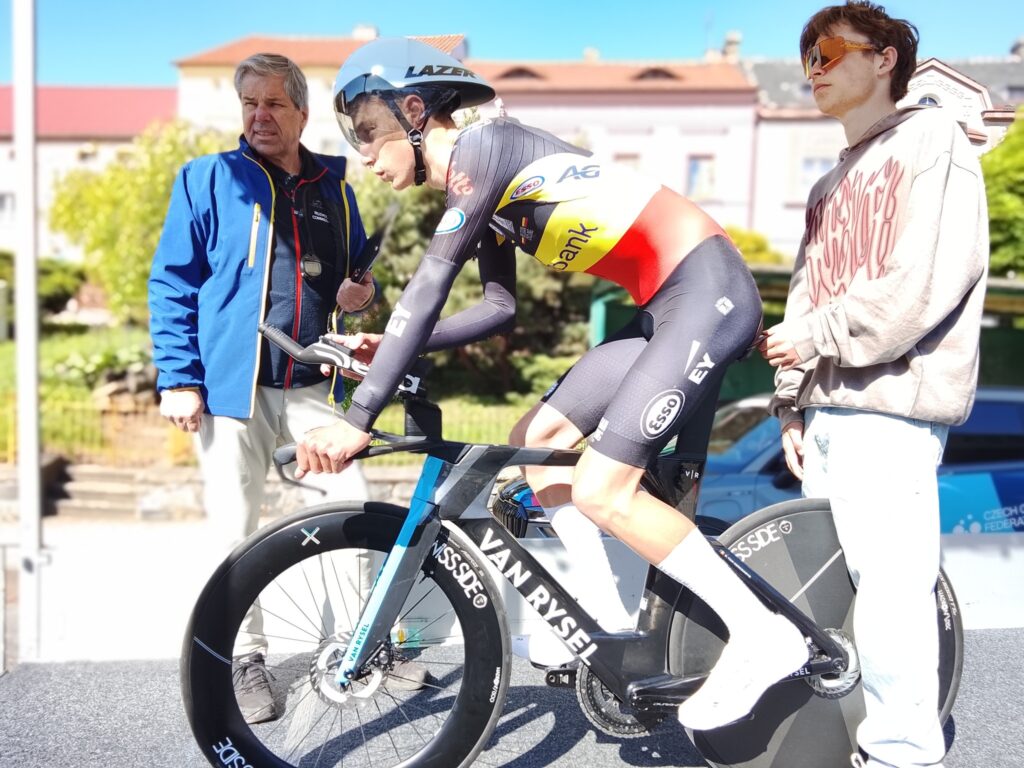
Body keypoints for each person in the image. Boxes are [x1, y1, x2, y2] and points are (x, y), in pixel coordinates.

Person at [296, 36, 811, 732]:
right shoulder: (478, 187)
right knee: (536, 442)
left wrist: (359, 416)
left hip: (707, 289)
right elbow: (497, 308)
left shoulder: (483, 151)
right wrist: (389, 345)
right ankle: (607, 624)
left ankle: (763, 634)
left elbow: (428, 286)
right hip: (664, 306)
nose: (362, 153)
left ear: (413, 110)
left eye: (367, 131)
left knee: (603, 487)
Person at [761, 3, 989, 766]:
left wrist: (816, 338)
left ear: (884, 58)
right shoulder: (828, 183)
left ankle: (902, 752)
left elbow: (927, 280)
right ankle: (851, 742)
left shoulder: (933, 139)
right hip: (825, 410)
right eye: (807, 60)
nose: (814, 71)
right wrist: (790, 401)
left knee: (891, 589)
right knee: (836, 601)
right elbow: (804, 296)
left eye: (827, 52)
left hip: (893, 402)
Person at [148, 53, 386, 725]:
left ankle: (356, 650)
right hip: (232, 390)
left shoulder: (336, 191)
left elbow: (355, 286)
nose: (259, 116)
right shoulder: (206, 180)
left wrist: (362, 294)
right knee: (234, 530)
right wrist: (180, 378)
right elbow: (172, 283)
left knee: (353, 511)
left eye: (274, 103)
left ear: (302, 114)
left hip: (313, 386)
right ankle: (244, 657)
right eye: (249, 103)